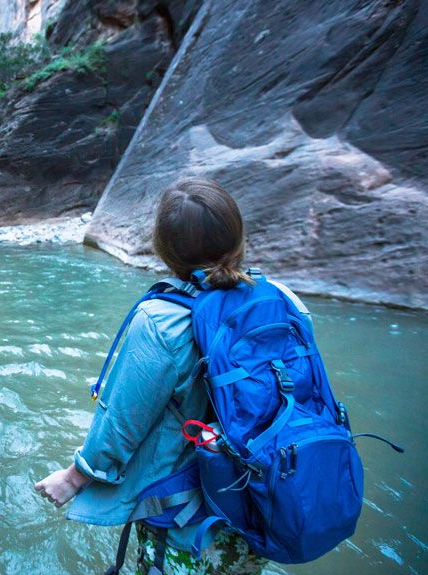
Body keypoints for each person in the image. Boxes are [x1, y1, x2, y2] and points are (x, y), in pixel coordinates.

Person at [34, 178, 308, 575]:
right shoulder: (284, 302)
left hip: (186, 521)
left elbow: (122, 423)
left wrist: (74, 477)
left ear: (163, 249)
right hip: (259, 505)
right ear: (238, 237)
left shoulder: (162, 321)